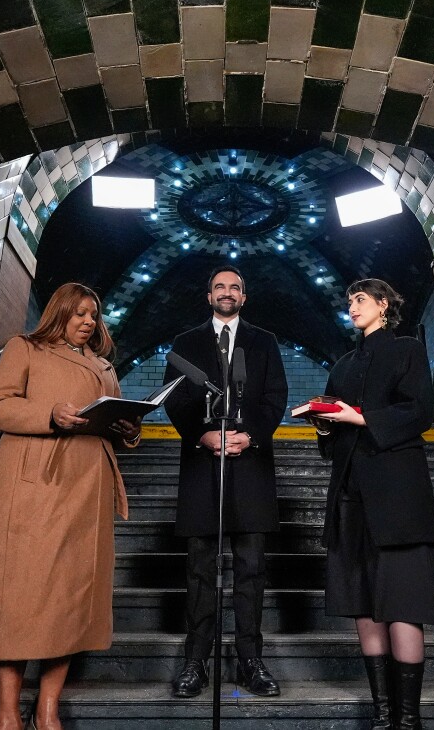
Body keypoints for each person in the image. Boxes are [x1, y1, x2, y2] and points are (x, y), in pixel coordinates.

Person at [0, 282, 139, 730]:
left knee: (69, 596)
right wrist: (49, 415)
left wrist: (127, 429)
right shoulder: (25, 348)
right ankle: (6, 712)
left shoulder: (102, 365)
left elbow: (120, 430)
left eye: (93, 314)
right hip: (34, 483)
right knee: (16, 593)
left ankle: (47, 707)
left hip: (88, 487)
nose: (87, 321)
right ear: (59, 313)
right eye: (78, 313)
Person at [311, 279, 434, 730]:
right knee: (362, 604)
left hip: (399, 498)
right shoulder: (342, 365)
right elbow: (329, 442)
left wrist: (360, 417)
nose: (352, 306)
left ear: (384, 305)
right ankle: (384, 716)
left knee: (402, 603)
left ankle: (409, 720)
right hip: (349, 496)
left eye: (360, 299)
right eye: (348, 301)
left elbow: (421, 411)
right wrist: (324, 424)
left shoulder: (405, 349)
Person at [162, 265, 289, 699]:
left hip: (251, 467)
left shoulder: (265, 341)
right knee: (199, 569)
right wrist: (201, 434)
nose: (227, 292)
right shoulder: (185, 343)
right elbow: (175, 398)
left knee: (251, 570)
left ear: (244, 296)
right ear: (209, 295)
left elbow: (276, 397)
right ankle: (195, 662)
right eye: (220, 286)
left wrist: (249, 434)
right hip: (202, 466)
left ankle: (251, 662)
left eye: (235, 286)